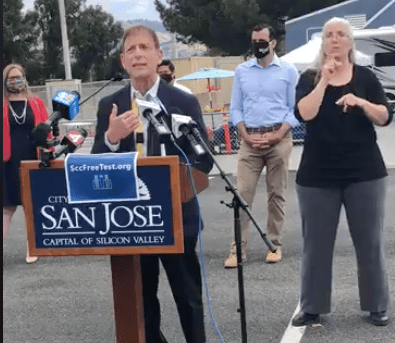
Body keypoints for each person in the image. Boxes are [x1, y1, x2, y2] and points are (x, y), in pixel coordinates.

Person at [91, 26, 213, 343]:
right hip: (131, 224)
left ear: (159, 55)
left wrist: (174, 185)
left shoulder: (181, 102)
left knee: (189, 300)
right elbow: (95, 167)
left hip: (176, 220)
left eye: (145, 47)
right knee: (141, 305)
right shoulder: (110, 106)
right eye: (131, 49)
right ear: (123, 61)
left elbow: (203, 161)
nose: (138, 54)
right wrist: (111, 138)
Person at [291, 17, 392, 327]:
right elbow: (304, 114)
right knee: (316, 245)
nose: (334, 39)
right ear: (323, 43)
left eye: (340, 35)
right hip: (317, 175)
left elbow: (384, 116)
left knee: (369, 243)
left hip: (364, 172)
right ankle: (312, 307)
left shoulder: (366, 77)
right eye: (328, 35)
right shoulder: (309, 77)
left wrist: (361, 101)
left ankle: (376, 306)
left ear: (350, 42)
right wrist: (324, 81)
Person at [224, 24, 300, 268]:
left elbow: (294, 108)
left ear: (273, 43)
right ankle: (238, 249)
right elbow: (236, 108)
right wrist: (245, 134)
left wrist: (278, 135)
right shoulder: (242, 71)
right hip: (249, 141)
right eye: (254, 40)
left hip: (278, 140)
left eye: (262, 41)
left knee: (276, 194)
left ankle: (274, 244)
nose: (257, 45)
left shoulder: (288, 71)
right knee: (242, 194)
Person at [3, 63, 50, 264]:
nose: (15, 81)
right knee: (6, 208)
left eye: (18, 77)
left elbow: (47, 128)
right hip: (6, 161)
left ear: (25, 78)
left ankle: (33, 247)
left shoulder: (37, 103)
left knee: (31, 206)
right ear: (5, 82)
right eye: (10, 78)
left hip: (32, 158)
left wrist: (49, 150)